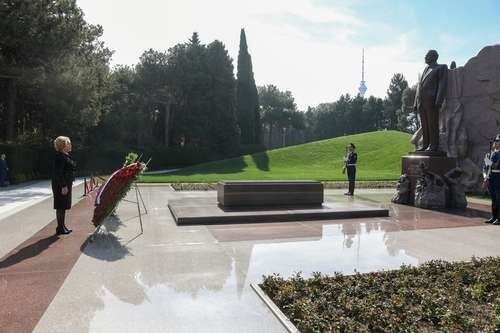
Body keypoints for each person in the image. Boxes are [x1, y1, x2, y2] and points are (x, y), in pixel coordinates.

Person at [413, 50, 448, 152]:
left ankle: (433, 146)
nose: (425, 57)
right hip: (421, 102)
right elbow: (419, 87)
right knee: (424, 125)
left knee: (432, 124)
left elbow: (442, 85)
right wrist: (415, 103)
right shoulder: (425, 70)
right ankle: (425, 144)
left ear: (433, 57)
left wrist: (439, 101)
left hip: (432, 101)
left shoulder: (441, 67)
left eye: (427, 56)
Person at [52, 136, 76, 235]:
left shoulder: (64, 155)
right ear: (64, 145)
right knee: (60, 206)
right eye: (69, 143)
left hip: (65, 184)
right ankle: (60, 228)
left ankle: (62, 226)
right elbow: (58, 173)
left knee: (63, 206)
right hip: (61, 185)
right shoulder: (60, 157)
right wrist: (63, 186)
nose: (71, 145)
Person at [484, 134, 500, 225]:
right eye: (496, 141)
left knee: (498, 198)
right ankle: (494, 216)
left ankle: (499, 218)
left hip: (498, 177)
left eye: (497, 141)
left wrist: (488, 162)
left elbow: (496, 165)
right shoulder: (492, 153)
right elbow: (487, 168)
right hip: (492, 177)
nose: (495, 142)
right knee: (493, 198)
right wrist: (486, 177)